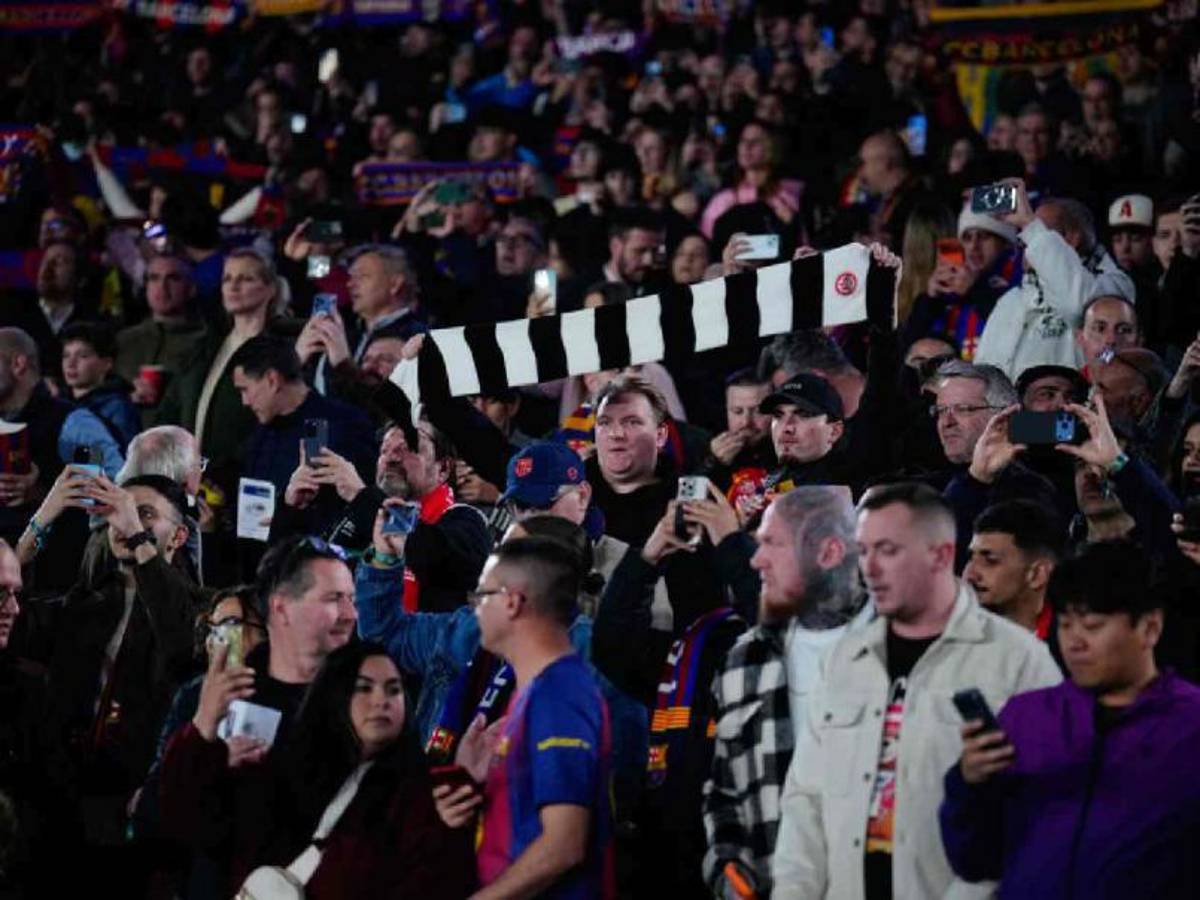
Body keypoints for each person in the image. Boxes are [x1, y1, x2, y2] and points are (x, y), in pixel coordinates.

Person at [772, 482, 1061, 900]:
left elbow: (1041, 815)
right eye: (863, 550)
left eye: (888, 550)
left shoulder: (1021, 662)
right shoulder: (845, 658)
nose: (869, 568)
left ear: (941, 556)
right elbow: (806, 802)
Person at [940, 540, 1200, 898]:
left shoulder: (1190, 727)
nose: (1074, 642)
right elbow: (974, 861)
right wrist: (969, 785)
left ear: (1150, 628)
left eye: (1092, 626)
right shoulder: (1026, 717)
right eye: (1064, 625)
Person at [160, 640, 475, 898]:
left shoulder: (423, 798)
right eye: (363, 688)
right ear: (335, 695)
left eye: (393, 689)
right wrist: (204, 725)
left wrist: (459, 791)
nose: (381, 700)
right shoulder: (280, 774)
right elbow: (183, 822)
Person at [16, 474, 205, 877]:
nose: (123, 522)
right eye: (119, 512)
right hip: (61, 803)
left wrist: (138, 537)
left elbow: (178, 641)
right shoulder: (84, 604)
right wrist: (43, 517)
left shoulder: (203, 611)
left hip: (136, 809)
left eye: (145, 514)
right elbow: (9, 615)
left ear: (178, 536)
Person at [703, 487, 868, 899]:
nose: (756, 560)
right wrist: (727, 871)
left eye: (772, 544)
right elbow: (724, 792)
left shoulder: (905, 652)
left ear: (829, 553)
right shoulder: (745, 660)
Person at [432, 536, 615, 899]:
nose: (475, 609)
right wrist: (474, 780)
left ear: (512, 602)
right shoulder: (531, 693)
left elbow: (563, 844)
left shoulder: (560, 694)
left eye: (482, 596)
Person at [279, 418, 490, 611]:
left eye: (408, 449)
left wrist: (362, 496)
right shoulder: (357, 517)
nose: (391, 458)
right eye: (384, 450)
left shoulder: (465, 521)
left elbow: (428, 552)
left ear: (443, 468)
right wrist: (293, 509)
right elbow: (289, 577)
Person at [974, 180, 1135, 380]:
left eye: (1038, 231)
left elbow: (1078, 306)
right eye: (1024, 234)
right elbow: (984, 371)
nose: (1027, 240)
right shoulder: (1011, 300)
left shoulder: (1114, 285)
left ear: (1070, 239)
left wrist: (1030, 224)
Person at [229, 334, 376, 499]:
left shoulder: (340, 426)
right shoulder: (260, 434)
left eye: (245, 390)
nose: (245, 402)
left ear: (272, 380)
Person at [115, 251, 207, 412]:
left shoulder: (205, 342)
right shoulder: (124, 341)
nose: (162, 286)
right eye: (154, 278)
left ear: (191, 288)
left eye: (173, 278)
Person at [963, 500, 1062, 639]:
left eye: (990, 560)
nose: (969, 574)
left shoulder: (1074, 650)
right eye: (971, 558)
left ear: (1038, 574)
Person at [59, 320, 141, 451]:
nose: (71, 363)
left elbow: (120, 455)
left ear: (106, 364)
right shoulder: (58, 402)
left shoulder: (118, 407)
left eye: (83, 356)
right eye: (66, 355)